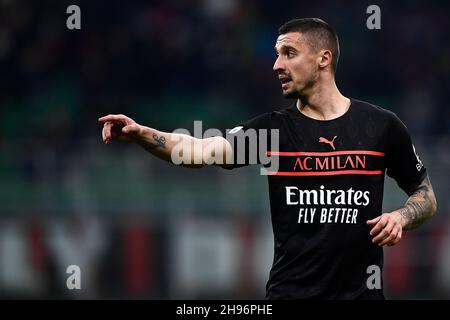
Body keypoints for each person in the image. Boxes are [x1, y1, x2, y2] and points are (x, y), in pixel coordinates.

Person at [98, 18, 437, 299]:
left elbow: (425, 195)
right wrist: (143, 134)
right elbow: (198, 152)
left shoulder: (381, 126)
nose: (277, 65)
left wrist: (401, 217)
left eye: (289, 53)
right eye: (276, 55)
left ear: (323, 58)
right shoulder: (272, 132)